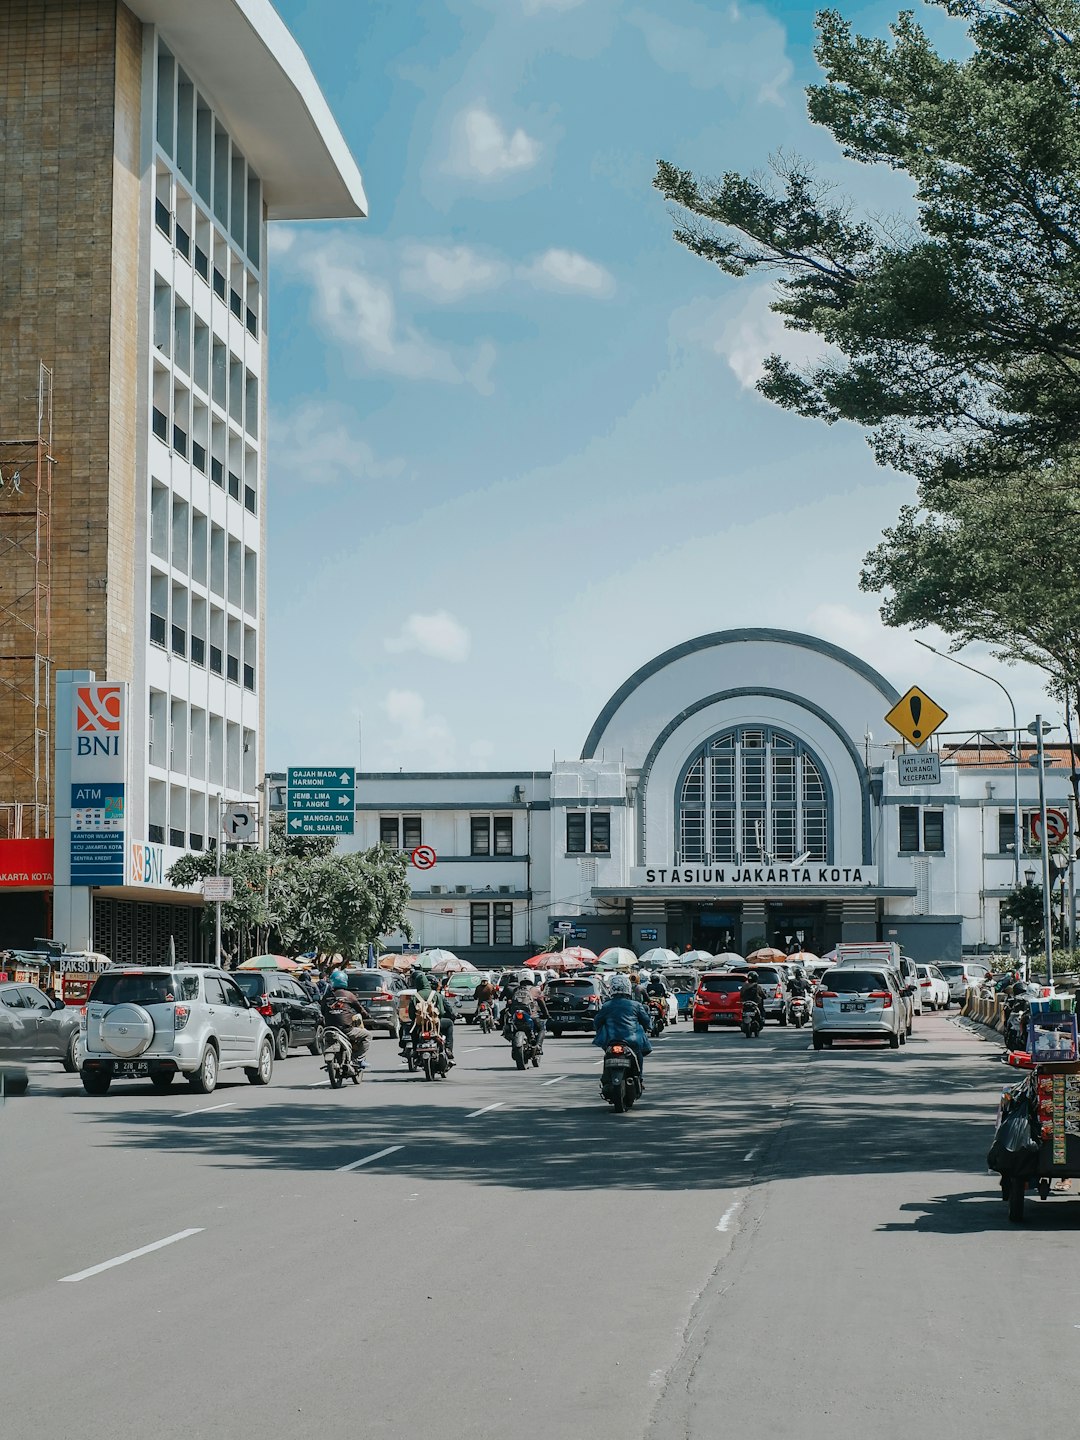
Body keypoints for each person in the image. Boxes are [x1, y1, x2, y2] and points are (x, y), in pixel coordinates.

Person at [592, 974, 653, 1084]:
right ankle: (639, 1077)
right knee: (639, 1054)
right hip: (632, 1042)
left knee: (607, 1056)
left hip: (610, 1041)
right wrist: (649, 1027)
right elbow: (647, 1022)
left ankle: (606, 1079)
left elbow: (597, 1022)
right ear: (628, 988)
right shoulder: (636, 1005)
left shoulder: (606, 1005)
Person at [321, 970, 371, 1069]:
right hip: (345, 1030)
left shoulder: (327, 996)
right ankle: (359, 1059)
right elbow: (360, 1009)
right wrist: (367, 1015)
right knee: (368, 1035)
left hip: (329, 1028)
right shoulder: (349, 995)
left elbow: (322, 1010)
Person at [505, 974, 550, 1049]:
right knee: (541, 1029)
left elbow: (510, 1002)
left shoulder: (516, 989)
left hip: (516, 1015)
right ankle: (538, 1046)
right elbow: (541, 1003)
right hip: (531, 1015)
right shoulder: (535, 990)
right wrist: (546, 1015)